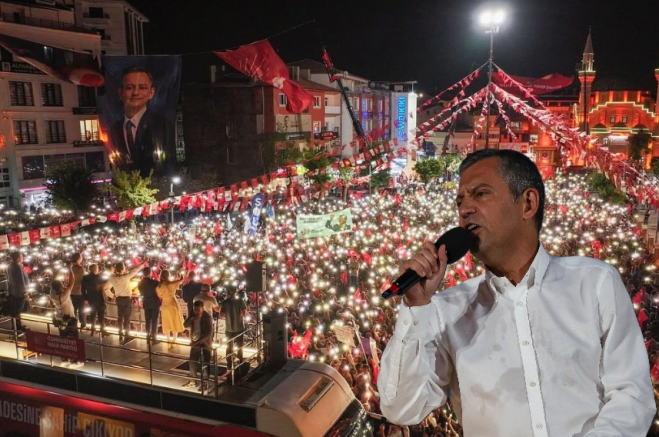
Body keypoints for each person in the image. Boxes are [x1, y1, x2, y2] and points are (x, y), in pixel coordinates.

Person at [378, 149, 656, 435]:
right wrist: (416, 308)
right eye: (460, 201)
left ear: (528, 203)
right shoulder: (447, 309)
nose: (465, 209)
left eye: (481, 194)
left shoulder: (594, 283)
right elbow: (401, 408)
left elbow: (631, 394)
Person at [108, 66, 175, 177]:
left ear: (151, 92)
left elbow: (169, 160)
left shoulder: (161, 124)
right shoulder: (115, 128)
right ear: (121, 92)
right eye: (130, 87)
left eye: (142, 87)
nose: (136, 93)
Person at [106, 261, 145, 343]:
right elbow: (135, 271)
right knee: (126, 318)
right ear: (122, 269)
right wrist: (143, 263)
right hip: (126, 300)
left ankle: (120, 334)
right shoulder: (126, 277)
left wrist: (112, 295)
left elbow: (106, 288)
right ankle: (126, 335)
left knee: (120, 317)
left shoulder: (112, 277)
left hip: (118, 299)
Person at [182, 300, 214, 391]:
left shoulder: (207, 317)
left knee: (205, 363)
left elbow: (209, 333)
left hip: (205, 343)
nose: (196, 312)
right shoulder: (192, 314)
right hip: (195, 341)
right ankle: (193, 381)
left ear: (202, 309)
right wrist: (191, 318)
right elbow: (185, 325)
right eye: (195, 310)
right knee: (192, 362)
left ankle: (205, 383)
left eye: (198, 310)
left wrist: (197, 342)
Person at [156, 269, 184, 349]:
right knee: (175, 321)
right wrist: (181, 274)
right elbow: (181, 280)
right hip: (173, 304)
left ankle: (168, 341)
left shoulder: (158, 287)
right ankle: (174, 341)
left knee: (166, 323)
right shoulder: (171, 284)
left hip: (164, 305)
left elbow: (159, 296)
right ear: (168, 276)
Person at [221, 286, 247, 370]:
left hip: (229, 328)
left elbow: (221, 315)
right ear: (235, 292)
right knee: (239, 346)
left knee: (229, 346)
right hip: (239, 327)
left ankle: (229, 362)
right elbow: (244, 313)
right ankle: (240, 360)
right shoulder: (240, 301)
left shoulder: (225, 302)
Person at [81, 264, 107, 336]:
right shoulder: (99, 277)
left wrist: (85, 299)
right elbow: (104, 285)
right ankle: (102, 330)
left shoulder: (85, 277)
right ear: (95, 269)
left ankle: (92, 329)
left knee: (93, 314)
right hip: (99, 298)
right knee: (101, 315)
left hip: (90, 298)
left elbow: (83, 289)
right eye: (97, 268)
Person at [6, 251, 29, 332]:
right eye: (21, 256)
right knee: (17, 310)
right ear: (17, 258)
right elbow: (20, 281)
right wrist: (25, 293)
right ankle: (17, 326)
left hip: (14, 291)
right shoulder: (17, 267)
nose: (23, 257)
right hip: (19, 292)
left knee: (16, 309)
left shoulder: (11, 265)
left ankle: (17, 325)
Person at [137, 267, 161, 343]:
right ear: (150, 273)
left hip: (146, 303)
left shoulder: (140, 283)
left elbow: (141, 293)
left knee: (147, 321)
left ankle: (147, 337)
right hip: (154, 303)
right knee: (154, 321)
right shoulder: (154, 282)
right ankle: (154, 338)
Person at [69, 253, 87, 329]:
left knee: (73, 309)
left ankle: (73, 324)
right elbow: (82, 280)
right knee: (81, 309)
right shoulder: (81, 269)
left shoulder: (70, 268)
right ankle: (83, 324)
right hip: (79, 292)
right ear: (78, 259)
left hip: (71, 291)